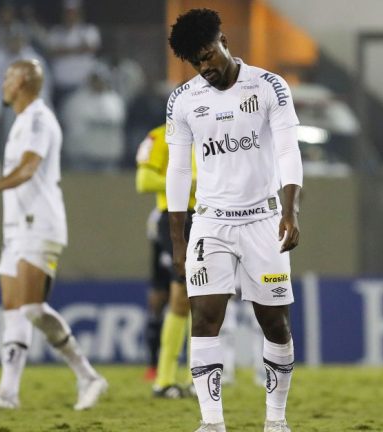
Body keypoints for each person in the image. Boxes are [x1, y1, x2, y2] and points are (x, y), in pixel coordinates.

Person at [165, 9, 303, 432]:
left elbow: (288, 151)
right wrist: (178, 239)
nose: (204, 67)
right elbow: (178, 170)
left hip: (264, 221)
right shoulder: (183, 100)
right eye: (195, 62)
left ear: (224, 41)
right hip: (211, 224)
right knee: (204, 319)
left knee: (274, 323)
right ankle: (212, 424)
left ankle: (276, 420)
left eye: (208, 55)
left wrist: (291, 210)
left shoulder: (268, 86)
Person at [0, 59, 107, 412]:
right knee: (14, 311)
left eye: (8, 77)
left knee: (31, 308)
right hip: (16, 227)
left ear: (23, 81)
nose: (3, 83)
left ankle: (88, 376)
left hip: (40, 223)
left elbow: (28, 169)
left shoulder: (39, 119)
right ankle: (7, 392)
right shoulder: (22, 121)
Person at [135, 123, 196, 398]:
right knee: (182, 295)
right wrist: (188, 184)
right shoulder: (159, 136)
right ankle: (164, 378)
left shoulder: (213, 129)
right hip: (176, 216)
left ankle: (197, 378)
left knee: (204, 297)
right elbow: (144, 181)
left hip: (212, 216)